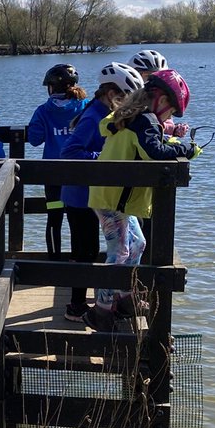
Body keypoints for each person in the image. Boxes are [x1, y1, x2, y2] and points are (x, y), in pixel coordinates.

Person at [85, 68, 200, 332]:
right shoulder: (144, 121)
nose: (169, 117)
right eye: (171, 111)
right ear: (160, 101)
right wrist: (187, 149)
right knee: (120, 251)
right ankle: (100, 312)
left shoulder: (132, 116)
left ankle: (125, 297)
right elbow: (155, 152)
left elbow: (151, 142)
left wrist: (170, 134)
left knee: (138, 243)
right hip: (112, 198)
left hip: (112, 195)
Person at [60, 62, 144, 322]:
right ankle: (78, 307)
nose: (128, 102)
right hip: (80, 195)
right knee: (85, 252)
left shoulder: (105, 112)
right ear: (111, 95)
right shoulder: (93, 116)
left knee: (128, 244)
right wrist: (105, 156)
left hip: (99, 192)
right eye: (125, 97)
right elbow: (69, 152)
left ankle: (119, 296)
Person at [28, 64, 89, 259]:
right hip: (80, 173)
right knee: (77, 219)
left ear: (52, 88)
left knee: (54, 218)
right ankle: (77, 259)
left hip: (52, 174)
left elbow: (35, 139)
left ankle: (54, 261)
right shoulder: (85, 106)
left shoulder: (43, 111)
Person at [128, 49, 189, 138]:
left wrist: (174, 130)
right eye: (148, 77)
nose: (152, 83)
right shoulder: (124, 104)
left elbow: (165, 123)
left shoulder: (160, 101)